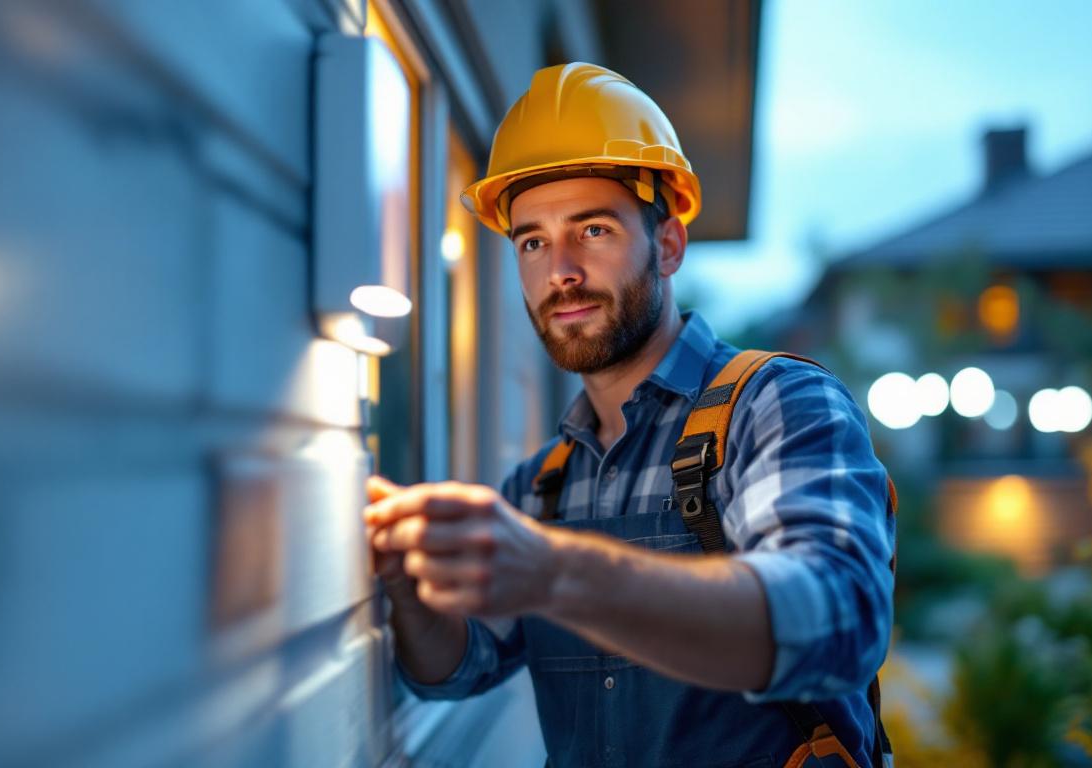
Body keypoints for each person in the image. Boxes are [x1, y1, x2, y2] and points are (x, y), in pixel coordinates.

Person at [363, 62, 896, 768]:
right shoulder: (544, 486)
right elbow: (456, 669)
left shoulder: (776, 405)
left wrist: (555, 572)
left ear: (668, 244)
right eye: (532, 241)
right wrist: (407, 584)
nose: (560, 271)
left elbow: (838, 621)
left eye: (592, 230)